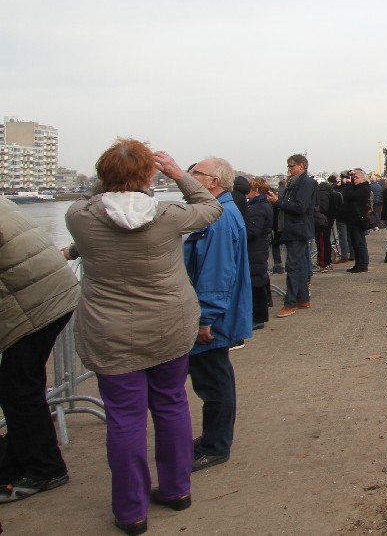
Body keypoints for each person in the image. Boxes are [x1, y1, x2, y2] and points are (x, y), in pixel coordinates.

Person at [65, 140, 222, 534]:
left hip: (111, 331)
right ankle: (177, 489)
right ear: (150, 175)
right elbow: (211, 207)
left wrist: (112, 175)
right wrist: (177, 173)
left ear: (102, 176)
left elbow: (94, 197)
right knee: (171, 404)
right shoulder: (168, 215)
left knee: (124, 418)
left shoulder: (79, 217)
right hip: (169, 325)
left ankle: (131, 510)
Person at [0, 200, 80, 505]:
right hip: (50, 293)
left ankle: (45, 469)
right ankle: (22, 460)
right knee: (20, 387)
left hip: (35, 304)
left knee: (19, 390)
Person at [183, 157, 253, 473]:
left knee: (214, 380)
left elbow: (217, 272)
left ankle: (215, 445)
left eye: (194, 173)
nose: (187, 176)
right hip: (217, 310)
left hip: (214, 316)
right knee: (213, 378)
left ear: (213, 181)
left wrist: (206, 318)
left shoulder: (218, 218)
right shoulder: (217, 212)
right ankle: (213, 439)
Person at [270, 154, 317, 314]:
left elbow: (300, 207)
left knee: (293, 266)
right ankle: (302, 299)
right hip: (296, 229)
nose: (289, 169)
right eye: (288, 166)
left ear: (301, 166)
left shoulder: (304, 183)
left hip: (297, 230)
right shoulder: (295, 183)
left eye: (291, 166)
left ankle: (291, 303)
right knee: (301, 265)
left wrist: (278, 202)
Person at [244, 177, 274, 329]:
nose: (246, 193)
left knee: (256, 281)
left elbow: (253, 231)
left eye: (249, 189)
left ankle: (258, 317)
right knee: (260, 278)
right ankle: (262, 311)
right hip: (259, 247)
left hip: (255, 248)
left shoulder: (258, 207)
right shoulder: (262, 205)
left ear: (256, 190)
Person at [340, 169, 372, 272]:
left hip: (358, 219)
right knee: (355, 243)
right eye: (354, 178)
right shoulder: (358, 187)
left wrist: (349, 184)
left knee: (359, 242)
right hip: (353, 218)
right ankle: (358, 263)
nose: (355, 179)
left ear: (363, 179)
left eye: (357, 178)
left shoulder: (364, 188)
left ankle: (363, 264)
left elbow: (351, 195)